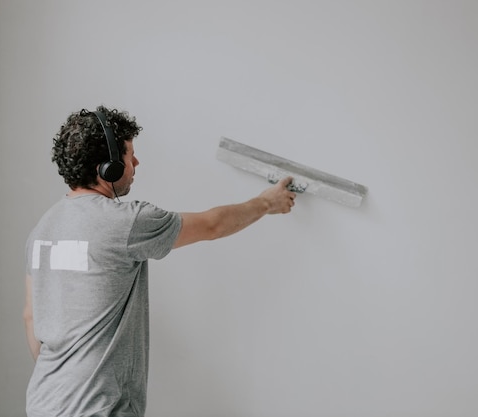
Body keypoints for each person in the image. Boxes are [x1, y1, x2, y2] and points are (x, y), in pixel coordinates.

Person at [23, 105, 296, 417]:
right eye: (129, 154)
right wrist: (266, 202)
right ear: (108, 166)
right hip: (100, 408)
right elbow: (212, 225)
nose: (136, 162)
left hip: (44, 404)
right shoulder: (125, 222)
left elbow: (30, 316)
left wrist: (64, 386)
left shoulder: (42, 229)